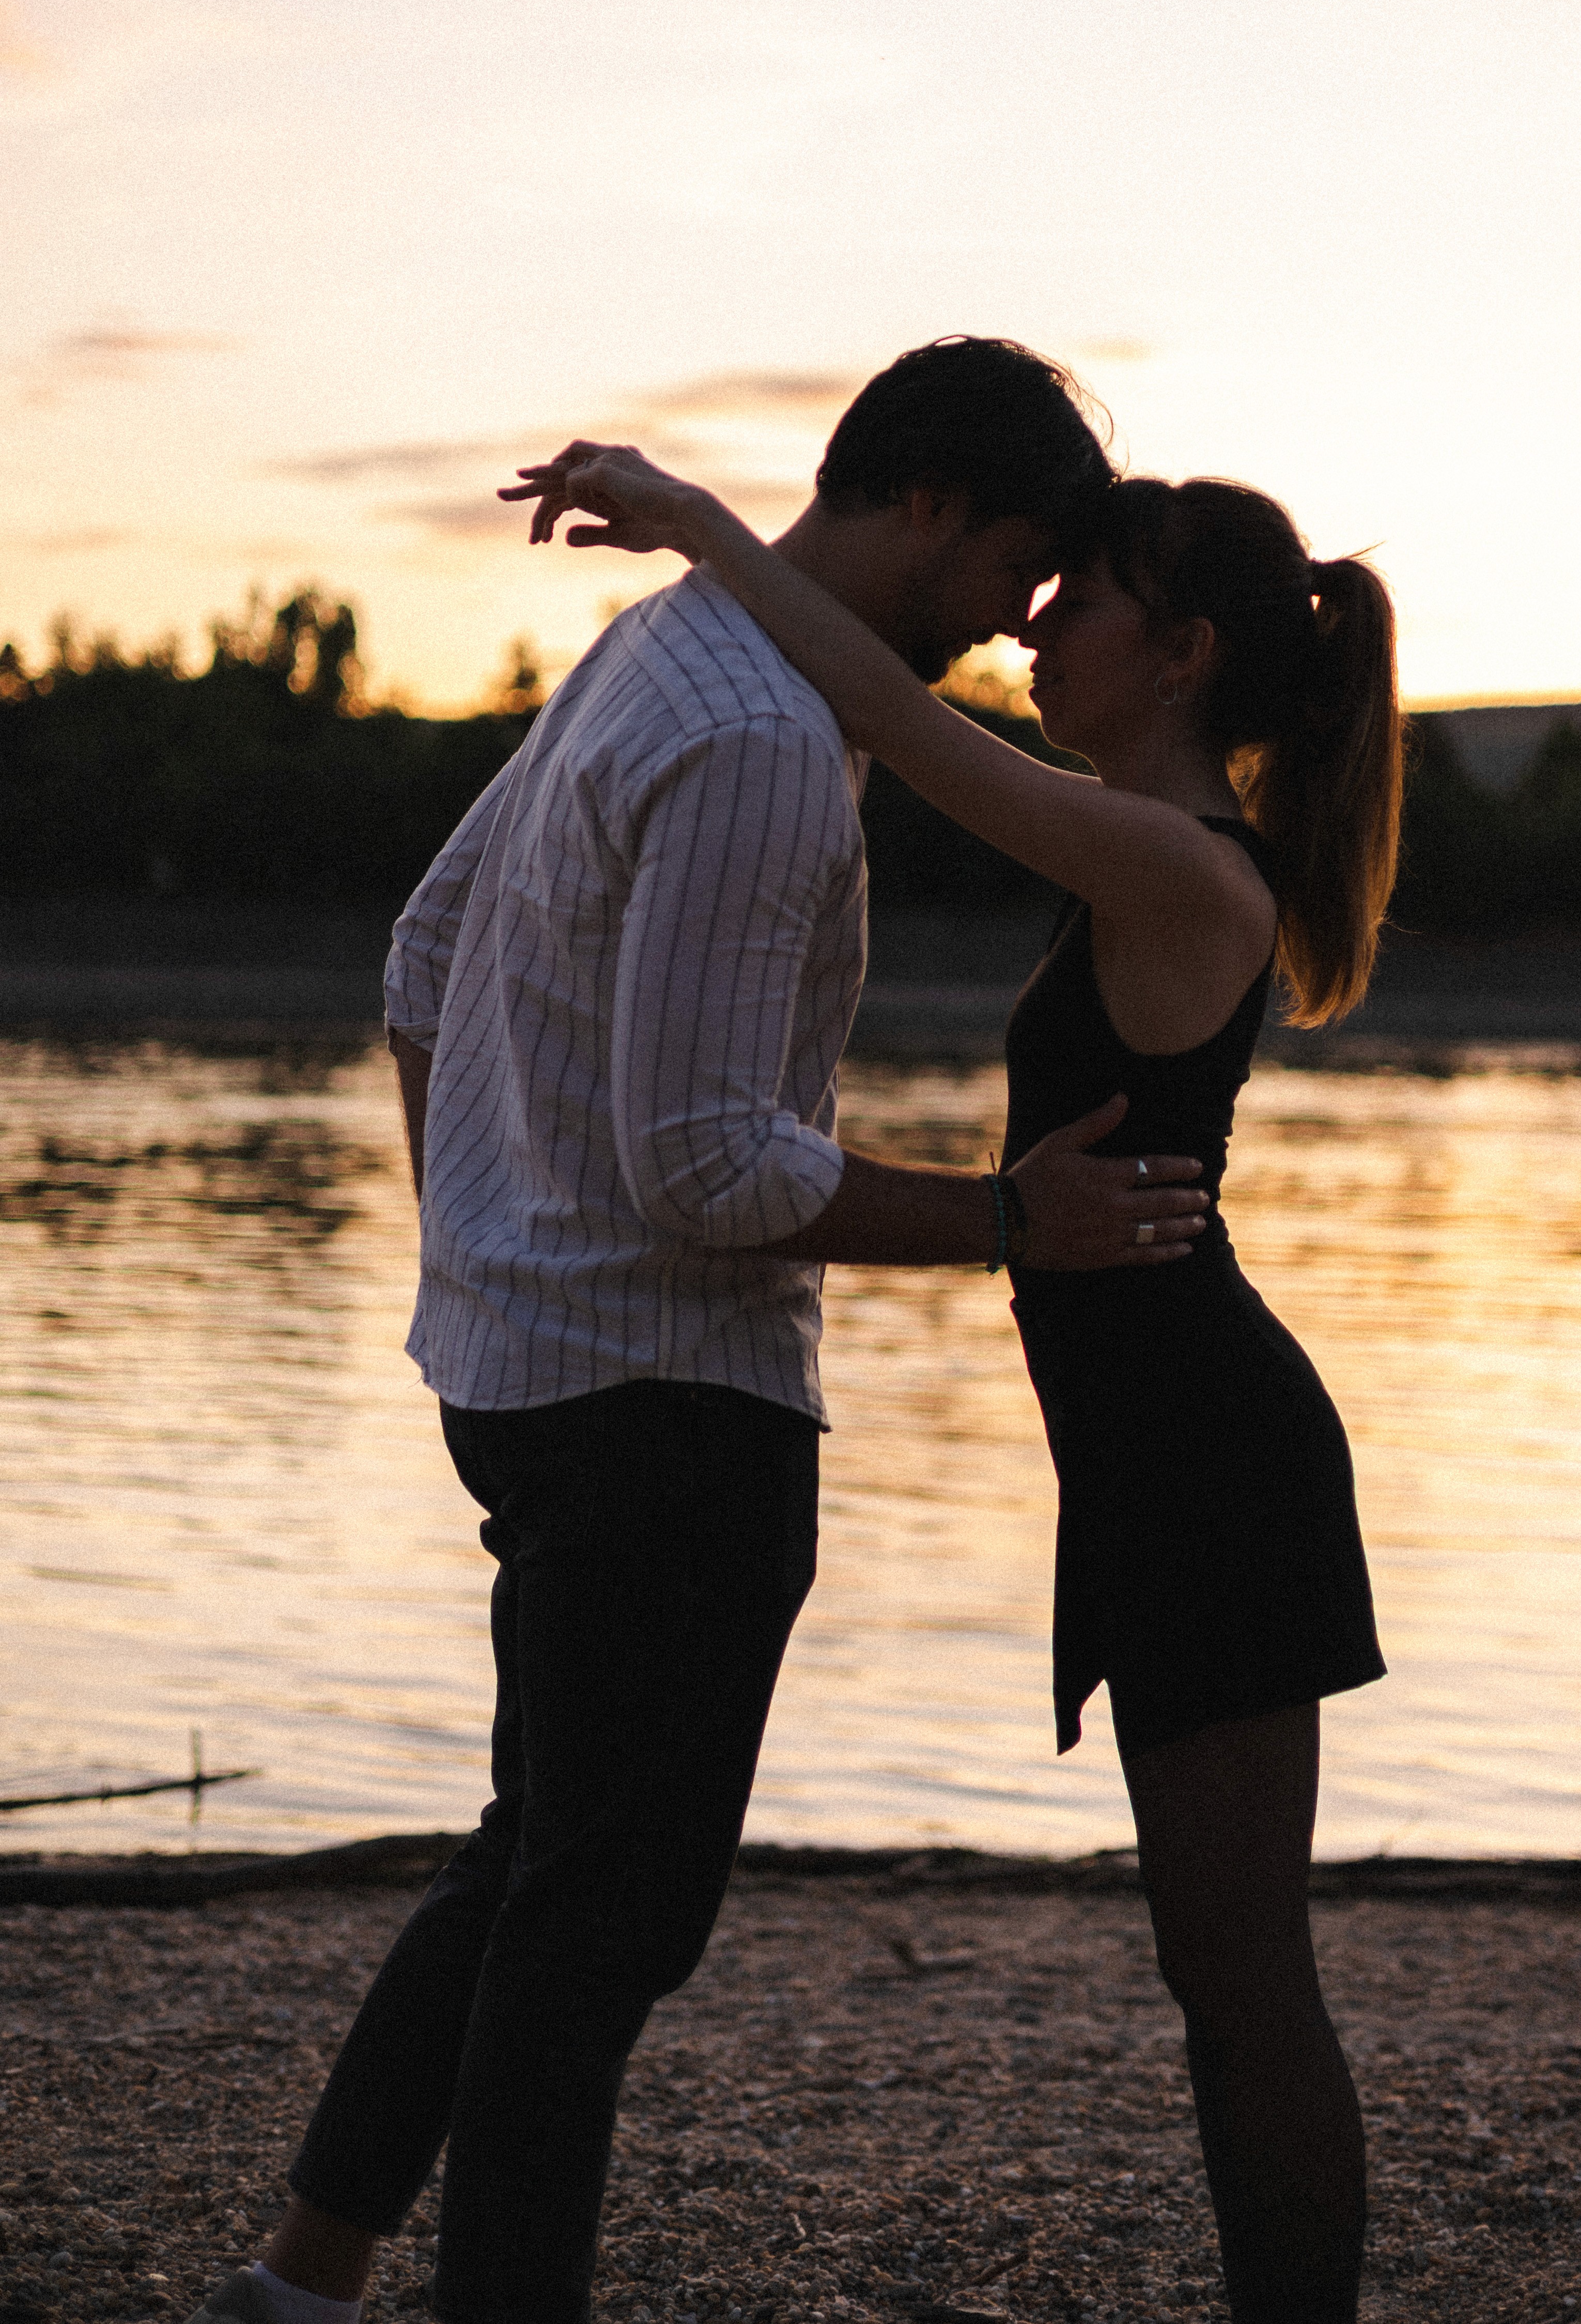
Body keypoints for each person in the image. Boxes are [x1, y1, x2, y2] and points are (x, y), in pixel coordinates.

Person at [184, 337, 1213, 2324]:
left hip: (532, 1376)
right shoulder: (759, 737)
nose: (1021, 622)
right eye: (1020, 563)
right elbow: (712, 1171)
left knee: (530, 1867)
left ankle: (299, 2287)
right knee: (599, 1935)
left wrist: (485, 1252)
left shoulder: (672, 653)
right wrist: (1017, 1220)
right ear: (926, 504)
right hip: (669, 1415)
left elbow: (421, 956)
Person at [514, 440, 1401, 2324]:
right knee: (1211, 1973)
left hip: (1218, 1470)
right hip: (1160, 1463)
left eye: (1086, 596)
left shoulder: (1179, 866)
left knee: (1244, 1978)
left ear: (1181, 656)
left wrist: (694, 522)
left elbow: (907, 737)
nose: (1039, 622)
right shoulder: (1145, 861)